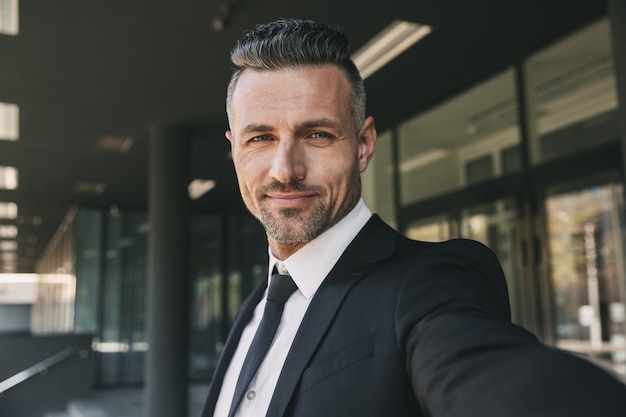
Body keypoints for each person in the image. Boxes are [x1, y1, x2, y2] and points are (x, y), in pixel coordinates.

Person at [201, 18, 626, 417]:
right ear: (234, 148)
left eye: (317, 135)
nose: (285, 169)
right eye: (260, 138)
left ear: (363, 145)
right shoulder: (258, 304)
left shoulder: (430, 282)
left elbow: (485, 369)